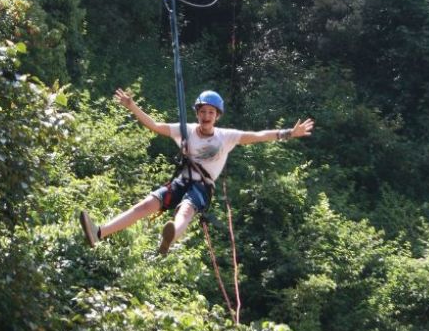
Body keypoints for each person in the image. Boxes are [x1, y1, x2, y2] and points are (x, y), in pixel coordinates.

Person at [79, 88, 314, 254]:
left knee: (187, 209)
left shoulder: (226, 137)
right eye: (203, 112)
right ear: (197, 113)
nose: (206, 116)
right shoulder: (186, 130)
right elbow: (155, 126)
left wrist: (289, 133)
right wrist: (133, 107)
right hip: (182, 180)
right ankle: (99, 232)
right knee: (145, 205)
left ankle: (170, 237)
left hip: (202, 186)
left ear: (217, 116)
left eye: (211, 113)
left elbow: (259, 136)